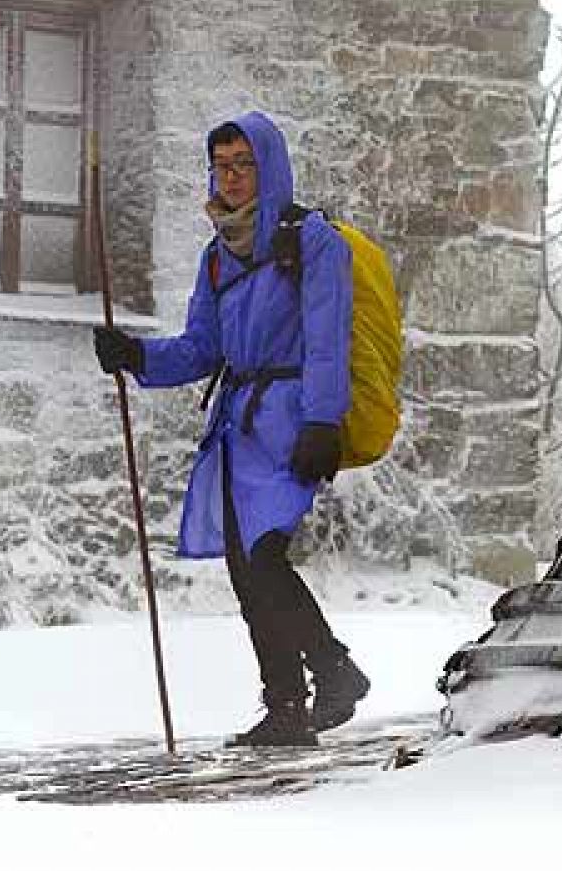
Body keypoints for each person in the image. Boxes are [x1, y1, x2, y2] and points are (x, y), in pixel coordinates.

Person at [92, 111, 369, 748]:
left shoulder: (313, 242)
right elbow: (200, 350)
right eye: (222, 166)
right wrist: (136, 356)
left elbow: (328, 340)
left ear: (268, 167)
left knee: (265, 558)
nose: (233, 178)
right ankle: (289, 707)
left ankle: (330, 671)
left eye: (244, 164)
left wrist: (323, 422)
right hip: (238, 429)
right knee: (249, 570)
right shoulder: (218, 258)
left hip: (294, 419)